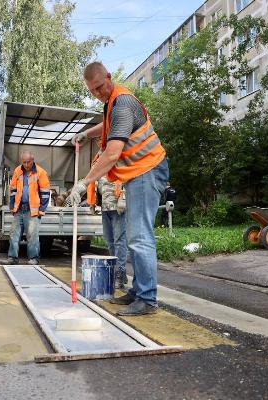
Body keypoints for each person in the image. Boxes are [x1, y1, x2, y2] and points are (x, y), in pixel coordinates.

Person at [68, 61, 169, 316]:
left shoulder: (122, 103)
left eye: (100, 87)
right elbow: (108, 125)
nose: (98, 93)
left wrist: (85, 183)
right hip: (140, 172)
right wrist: (88, 134)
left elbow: (112, 153)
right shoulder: (111, 103)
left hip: (148, 170)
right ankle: (138, 292)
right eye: (93, 91)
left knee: (140, 237)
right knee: (136, 235)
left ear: (109, 78)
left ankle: (147, 299)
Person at [1, 150, 51, 265]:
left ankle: (34, 258)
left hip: (32, 210)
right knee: (14, 234)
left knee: (32, 236)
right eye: (24, 162)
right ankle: (12, 258)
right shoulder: (18, 171)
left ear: (33, 160)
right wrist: (12, 206)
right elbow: (13, 189)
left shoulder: (41, 172)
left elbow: (45, 192)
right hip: (19, 209)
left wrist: (42, 209)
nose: (26, 165)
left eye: (28, 162)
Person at [97, 176, 128, 289]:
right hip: (105, 208)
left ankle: (119, 273)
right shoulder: (98, 162)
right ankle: (118, 270)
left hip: (118, 207)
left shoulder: (119, 160)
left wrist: (123, 198)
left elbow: (128, 178)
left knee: (119, 241)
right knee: (109, 241)